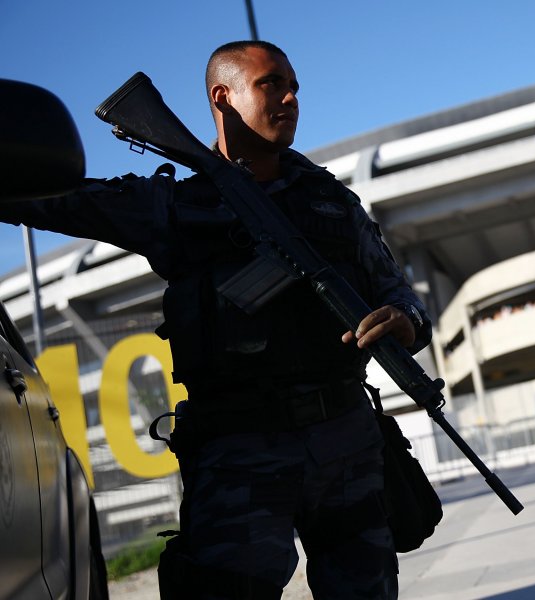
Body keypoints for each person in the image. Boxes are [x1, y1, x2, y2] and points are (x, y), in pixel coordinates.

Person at [0, 40, 430, 599]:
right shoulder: (176, 206)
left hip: (344, 438)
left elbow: (402, 295)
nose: (292, 96)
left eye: (293, 84)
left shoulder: (334, 204)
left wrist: (405, 321)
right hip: (240, 449)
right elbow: (51, 198)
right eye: (272, 83)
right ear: (223, 97)